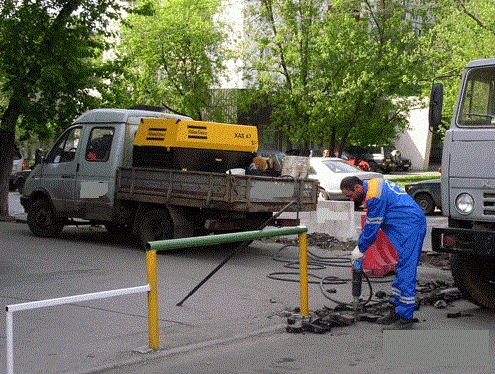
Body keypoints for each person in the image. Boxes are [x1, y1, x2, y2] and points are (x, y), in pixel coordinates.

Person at [340, 176, 426, 330]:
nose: (351, 199)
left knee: (406, 269)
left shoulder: (374, 196)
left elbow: (372, 227)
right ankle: (397, 310)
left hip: (410, 226)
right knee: (402, 268)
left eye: (350, 195)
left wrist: (360, 249)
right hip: (406, 225)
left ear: (358, 188)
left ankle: (405, 316)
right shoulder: (373, 186)